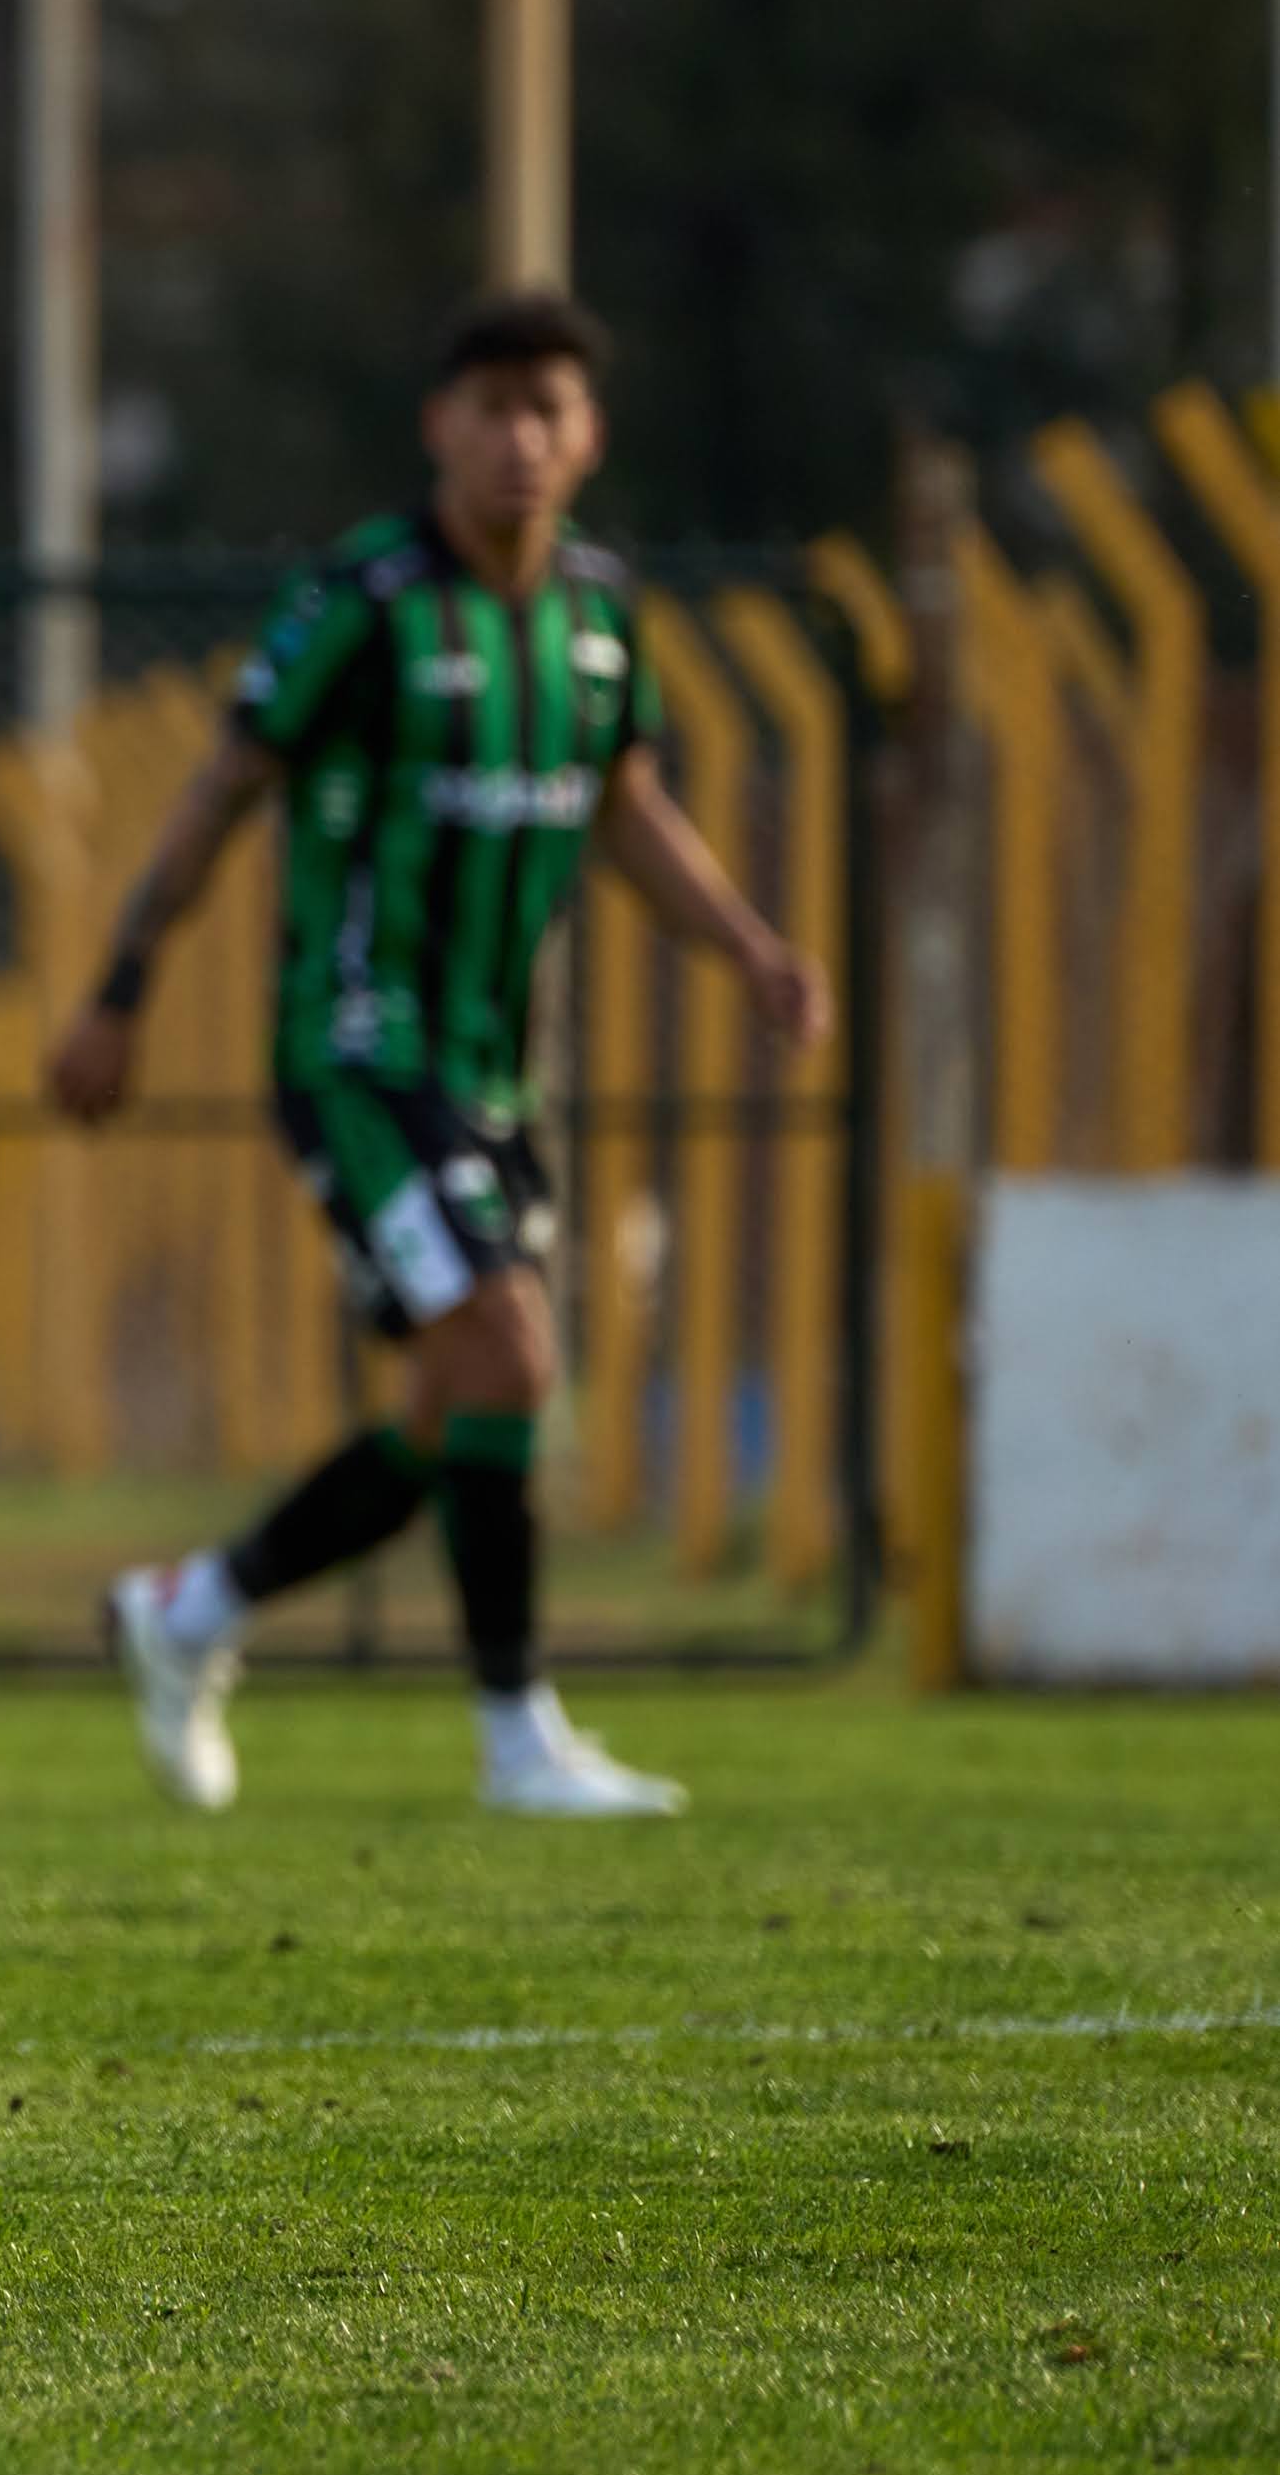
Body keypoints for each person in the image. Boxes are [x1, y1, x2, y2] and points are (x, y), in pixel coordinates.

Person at [43, 293, 827, 1818]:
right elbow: (220, 787)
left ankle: (189, 1610)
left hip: (489, 1075)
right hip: (355, 1053)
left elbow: (626, 809)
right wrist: (119, 988)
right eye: (490, 407)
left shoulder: (598, 616)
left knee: (450, 1406)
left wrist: (745, 946)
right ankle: (515, 1732)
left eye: (549, 409)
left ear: (588, 436)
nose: (519, 438)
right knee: (510, 1355)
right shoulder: (367, 599)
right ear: (439, 426)